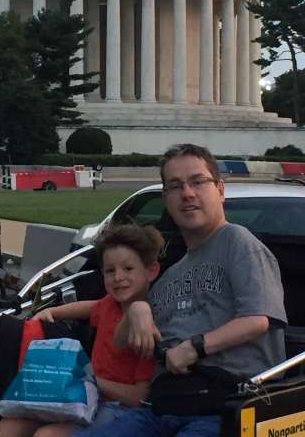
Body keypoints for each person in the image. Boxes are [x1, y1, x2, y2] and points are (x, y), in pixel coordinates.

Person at [72, 143, 287, 437]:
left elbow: (257, 319)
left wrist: (193, 348)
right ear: (166, 199)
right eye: (175, 186)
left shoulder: (238, 243)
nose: (187, 193)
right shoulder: (172, 274)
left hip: (226, 407)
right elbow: (123, 342)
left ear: (220, 190)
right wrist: (137, 309)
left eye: (198, 181)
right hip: (162, 407)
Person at [0, 224, 165, 437]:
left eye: (128, 269)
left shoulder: (146, 325)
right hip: (88, 397)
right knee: (12, 423)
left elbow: (138, 397)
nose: (118, 277)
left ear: (151, 271)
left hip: (120, 410)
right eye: (110, 271)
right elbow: (88, 307)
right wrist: (53, 312)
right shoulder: (108, 305)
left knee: (47, 435)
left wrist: (91, 381)